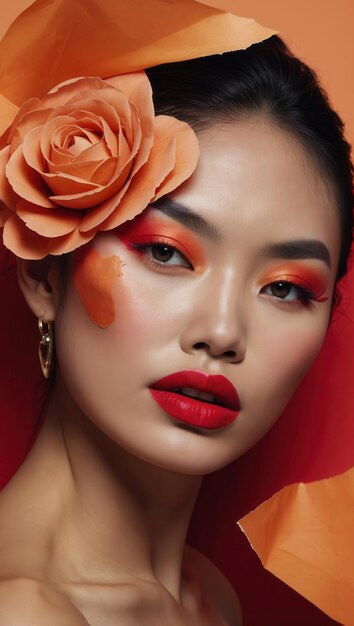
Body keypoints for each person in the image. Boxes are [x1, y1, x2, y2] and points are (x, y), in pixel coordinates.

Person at [0, 7, 352, 626]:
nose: (221, 333)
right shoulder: (20, 608)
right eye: (166, 252)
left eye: (286, 289)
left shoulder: (208, 601)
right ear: (42, 273)